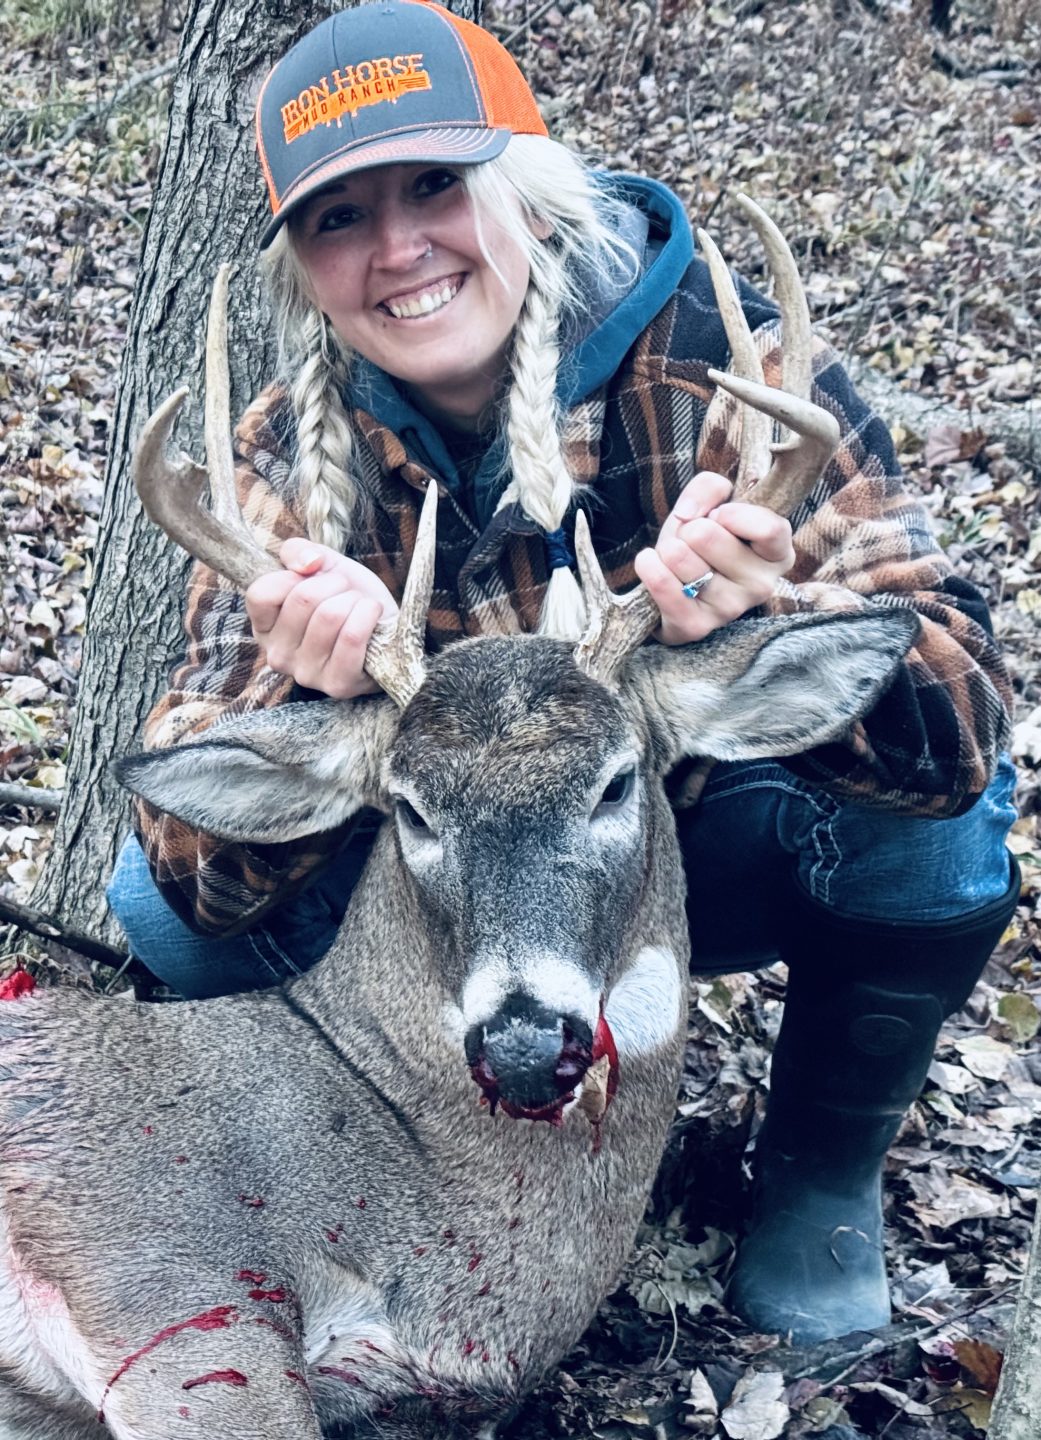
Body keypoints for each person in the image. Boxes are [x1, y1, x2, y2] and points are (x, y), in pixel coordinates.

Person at [107, 0, 1019, 1347]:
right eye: (340, 218)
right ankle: (391, 1161)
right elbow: (183, 860)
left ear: (529, 192)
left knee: (935, 831)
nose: (398, 251)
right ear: (302, 267)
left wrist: (770, 601)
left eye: (435, 185)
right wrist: (305, 693)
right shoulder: (285, 458)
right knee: (166, 909)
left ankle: (821, 1176)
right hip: (448, 892)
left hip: (691, 839)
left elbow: (963, 732)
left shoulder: (737, 376)